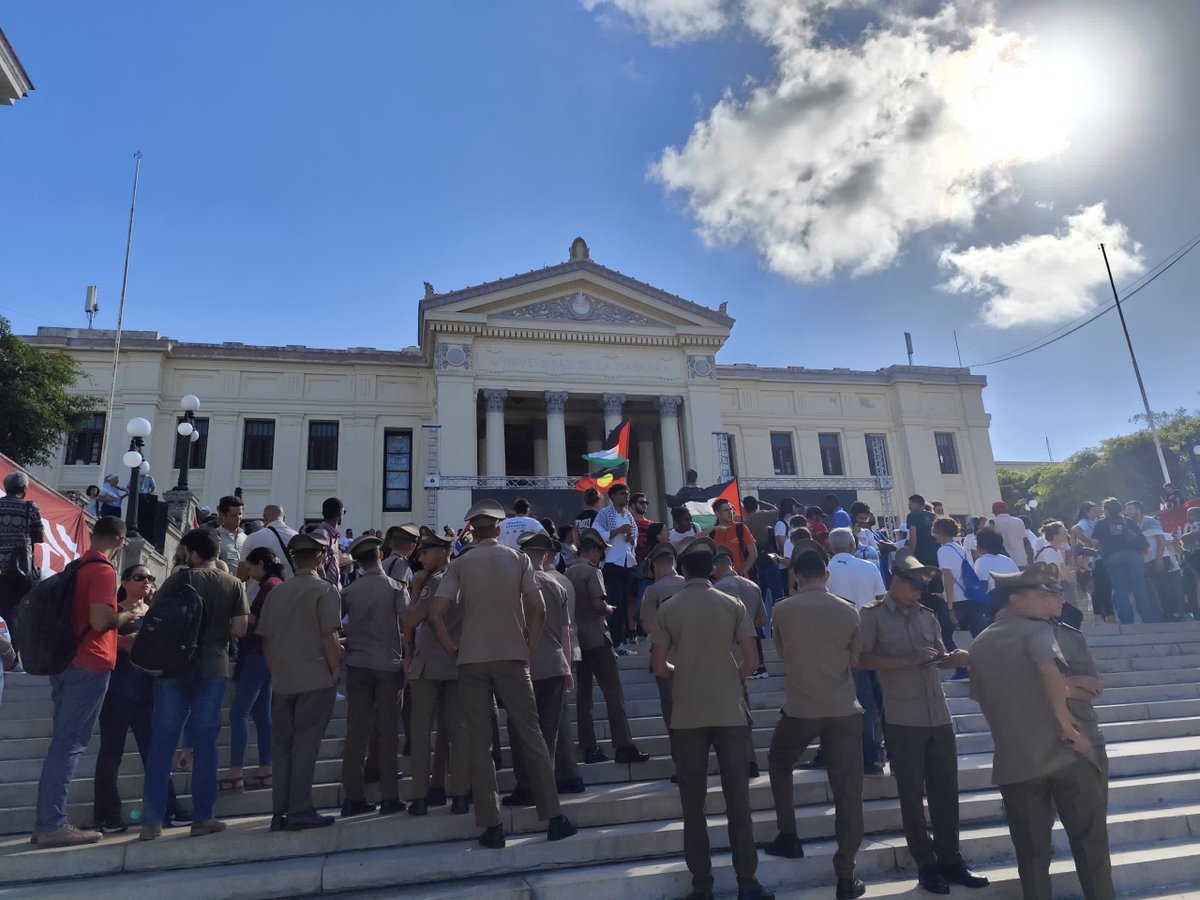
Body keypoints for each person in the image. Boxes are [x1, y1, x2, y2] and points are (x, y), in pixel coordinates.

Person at [429, 499, 577, 848]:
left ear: (474, 531)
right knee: (532, 735)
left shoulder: (461, 563)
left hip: (472, 659)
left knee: (479, 742)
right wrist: (527, 647)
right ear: (498, 530)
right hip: (512, 656)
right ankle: (553, 816)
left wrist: (453, 649)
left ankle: (492, 825)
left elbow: (436, 614)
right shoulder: (519, 559)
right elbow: (537, 610)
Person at [969, 562, 1113, 900]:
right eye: (1047, 594)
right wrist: (1067, 724)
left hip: (1017, 761)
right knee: (1089, 844)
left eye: (1059, 593)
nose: (1058, 599)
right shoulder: (1038, 632)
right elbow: (1048, 672)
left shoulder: (979, 643)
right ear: (1016, 599)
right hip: (1068, 753)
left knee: (1032, 855)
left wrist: (1051, 688)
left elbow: (986, 698)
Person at [649, 537, 772, 900]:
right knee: (739, 801)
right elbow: (751, 661)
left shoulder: (669, 607)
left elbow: (658, 665)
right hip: (730, 712)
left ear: (683, 570)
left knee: (693, 804)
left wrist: (683, 674)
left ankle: (702, 885)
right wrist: (727, 677)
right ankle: (747, 882)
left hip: (688, 714)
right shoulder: (732, 603)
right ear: (713, 569)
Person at [858, 553, 988, 895]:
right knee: (912, 795)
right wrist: (905, 661)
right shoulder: (871, 615)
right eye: (914, 584)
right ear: (896, 579)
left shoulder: (927, 615)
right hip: (903, 718)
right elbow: (859, 658)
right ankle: (926, 862)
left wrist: (954, 659)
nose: (919, 592)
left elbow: (939, 656)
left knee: (946, 793)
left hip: (938, 715)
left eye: (922, 587)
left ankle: (951, 859)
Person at [763, 548, 866, 900]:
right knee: (848, 791)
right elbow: (854, 659)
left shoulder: (782, 609)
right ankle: (845, 874)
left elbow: (781, 652)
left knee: (778, 761)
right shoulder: (848, 609)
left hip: (801, 707)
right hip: (843, 708)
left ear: (795, 576)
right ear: (827, 574)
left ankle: (788, 834)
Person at [139, 527, 249, 841]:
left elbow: (155, 610)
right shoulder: (233, 584)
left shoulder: (178, 579)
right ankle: (203, 817)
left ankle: (151, 820)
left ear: (194, 554)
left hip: (173, 667)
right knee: (205, 741)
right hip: (213, 667)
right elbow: (240, 629)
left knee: (162, 741)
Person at [31, 517, 134, 847]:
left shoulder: (75, 567)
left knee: (62, 741)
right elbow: (101, 620)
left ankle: (47, 820)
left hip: (65, 662)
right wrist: (129, 614)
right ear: (119, 542)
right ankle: (51, 824)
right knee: (69, 744)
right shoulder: (103, 570)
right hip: (89, 663)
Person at [256, 531, 343, 832]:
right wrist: (335, 670)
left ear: (293, 559)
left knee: (282, 748)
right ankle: (300, 809)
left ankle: (279, 811)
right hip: (315, 676)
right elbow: (329, 634)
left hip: (283, 679)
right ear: (320, 558)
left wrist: (277, 669)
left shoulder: (277, 592)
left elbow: (265, 640)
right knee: (306, 746)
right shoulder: (324, 589)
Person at [93, 564, 188, 832]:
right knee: (112, 754)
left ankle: (169, 808)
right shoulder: (114, 612)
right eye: (139, 577)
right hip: (118, 691)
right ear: (125, 581)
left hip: (149, 692)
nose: (146, 581)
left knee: (155, 753)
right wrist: (125, 641)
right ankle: (107, 815)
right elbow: (105, 640)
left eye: (149, 578)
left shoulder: (154, 611)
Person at [566, 527, 648, 765]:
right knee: (613, 693)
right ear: (594, 551)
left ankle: (589, 747)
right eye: (600, 552)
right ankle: (623, 745)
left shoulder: (568, 572)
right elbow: (597, 605)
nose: (601, 557)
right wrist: (610, 609)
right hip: (597, 638)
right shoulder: (592, 572)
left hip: (577, 641)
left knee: (584, 697)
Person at [339, 533, 408, 817]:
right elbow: (408, 622)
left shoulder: (349, 592)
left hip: (357, 665)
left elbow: (335, 626)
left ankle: (352, 797)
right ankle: (389, 796)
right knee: (388, 732)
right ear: (380, 556)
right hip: (389, 665)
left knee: (356, 733)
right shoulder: (394, 587)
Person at [502, 531, 573, 808]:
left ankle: (526, 787)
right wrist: (567, 668)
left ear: (522, 556)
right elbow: (566, 633)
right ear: (546, 556)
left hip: (524, 664)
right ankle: (547, 787)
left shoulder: (516, 585)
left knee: (522, 730)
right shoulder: (557, 586)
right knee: (549, 732)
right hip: (555, 664)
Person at [403, 532, 470, 816]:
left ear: (443, 551)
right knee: (457, 734)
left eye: (425, 551)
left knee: (420, 734)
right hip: (456, 665)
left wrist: (416, 588)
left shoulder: (435, 581)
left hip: (430, 664)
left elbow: (410, 619)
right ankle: (460, 795)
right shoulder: (464, 579)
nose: (420, 557)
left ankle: (420, 796)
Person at [825, 528, 887, 774]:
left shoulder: (824, 572)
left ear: (830, 547)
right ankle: (882, 751)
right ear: (853, 545)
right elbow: (881, 599)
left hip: (839, 642)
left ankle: (868, 754)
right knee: (879, 698)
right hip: (872, 639)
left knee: (859, 701)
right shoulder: (869, 567)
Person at [221, 546, 280, 794]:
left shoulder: (269, 587)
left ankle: (236, 771)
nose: (248, 570)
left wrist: (240, 610)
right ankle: (266, 768)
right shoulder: (277, 583)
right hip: (266, 655)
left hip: (257, 654)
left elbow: (259, 619)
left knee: (239, 713)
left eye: (251, 566)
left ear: (261, 565)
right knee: (262, 714)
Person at [640, 541, 685, 740]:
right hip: (698, 655)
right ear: (673, 562)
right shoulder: (689, 584)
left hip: (666, 656)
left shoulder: (653, 590)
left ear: (656, 565)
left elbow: (646, 624)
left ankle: (681, 758)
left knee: (671, 706)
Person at [1091, 498, 1159, 625]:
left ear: (1106, 510)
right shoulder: (1128, 521)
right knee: (1139, 587)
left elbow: (1094, 542)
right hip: (1133, 557)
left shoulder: (1101, 523)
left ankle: (1127, 622)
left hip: (1112, 558)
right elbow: (1142, 541)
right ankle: (1148, 619)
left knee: (1120, 589)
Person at [0, 470, 45, 663]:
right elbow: (39, 537)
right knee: (15, 611)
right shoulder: (30, 507)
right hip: (18, 570)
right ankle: (12, 655)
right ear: (24, 489)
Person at [594, 483, 640, 651]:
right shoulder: (605, 514)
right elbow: (597, 533)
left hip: (627, 563)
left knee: (624, 603)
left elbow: (634, 537)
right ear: (612, 496)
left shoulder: (628, 515)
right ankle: (613, 642)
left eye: (627, 493)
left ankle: (620, 642)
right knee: (613, 602)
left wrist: (630, 538)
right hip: (612, 563)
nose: (626, 496)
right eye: (622, 493)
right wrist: (617, 530)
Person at [713, 546, 769, 680]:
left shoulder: (716, 589)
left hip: (730, 655)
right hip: (754, 655)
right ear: (732, 565)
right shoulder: (753, 586)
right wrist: (748, 625)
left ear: (715, 567)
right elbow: (763, 619)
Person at [1126, 500, 1184, 620]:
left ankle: (1173, 614)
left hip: (1159, 557)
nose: (1128, 512)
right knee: (1155, 588)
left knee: (1163, 587)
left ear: (1138, 509)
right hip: (1146, 561)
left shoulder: (1149, 521)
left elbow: (1161, 540)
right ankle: (1162, 614)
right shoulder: (1132, 525)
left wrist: (1159, 559)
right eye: (1127, 510)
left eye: (1130, 509)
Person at [238, 504, 298, 591]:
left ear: (264, 518)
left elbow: (243, 574)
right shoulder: (296, 536)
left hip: (259, 596)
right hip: (290, 595)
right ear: (283, 518)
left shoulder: (253, 538)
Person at [709, 497, 757, 578]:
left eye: (730, 509)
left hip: (740, 579)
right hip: (719, 582)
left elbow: (753, 552)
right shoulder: (712, 533)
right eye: (726, 510)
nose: (730, 512)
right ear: (717, 513)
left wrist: (741, 573)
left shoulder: (740, 528)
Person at [989, 500, 1032, 569]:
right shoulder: (1019, 521)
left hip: (1004, 563)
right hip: (1021, 561)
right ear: (1007, 510)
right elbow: (1026, 542)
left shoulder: (991, 523)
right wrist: (1030, 561)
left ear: (994, 512)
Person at [314, 497, 346, 588]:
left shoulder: (333, 535)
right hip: (325, 589)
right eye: (344, 512)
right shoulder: (322, 534)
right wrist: (326, 587)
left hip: (333, 589)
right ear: (340, 512)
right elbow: (317, 564)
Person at [210, 495, 246, 571]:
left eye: (240, 514)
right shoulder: (214, 538)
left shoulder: (246, 538)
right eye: (234, 515)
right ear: (223, 515)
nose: (238, 518)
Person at [904, 495, 939, 568]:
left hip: (921, 556)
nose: (909, 507)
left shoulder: (912, 516)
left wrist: (911, 554)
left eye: (910, 504)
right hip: (936, 555)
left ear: (916, 504)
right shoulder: (935, 516)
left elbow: (913, 537)